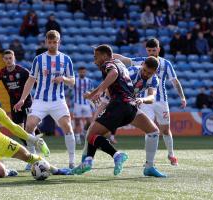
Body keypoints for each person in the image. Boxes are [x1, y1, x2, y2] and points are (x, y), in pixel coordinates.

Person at [72, 45, 166, 177]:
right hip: (114, 102)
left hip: (125, 105)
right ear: (142, 65)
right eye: (144, 70)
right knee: (94, 131)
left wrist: (142, 100)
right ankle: (86, 161)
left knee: (153, 131)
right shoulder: (132, 71)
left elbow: (151, 97)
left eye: (149, 73)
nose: (145, 74)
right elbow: (111, 83)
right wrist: (98, 96)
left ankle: (148, 167)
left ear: (155, 72)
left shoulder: (153, 79)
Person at [114, 38, 186, 166]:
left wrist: (182, 97)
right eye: (149, 50)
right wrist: (109, 55)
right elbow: (125, 59)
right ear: (146, 50)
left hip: (161, 101)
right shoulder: (144, 61)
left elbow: (175, 81)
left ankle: (171, 154)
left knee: (165, 130)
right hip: (145, 101)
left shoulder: (166, 64)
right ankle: (148, 161)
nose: (152, 52)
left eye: (154, 50)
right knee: (150, 129)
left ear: (159, 49)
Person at [14, 30, 76, 169]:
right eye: (50, 42)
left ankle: (72, 161)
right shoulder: (39, 59)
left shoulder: (66, 59)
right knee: (29, 126)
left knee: (68, 127)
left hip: (58, 100)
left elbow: (72, 81)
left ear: (59, 42)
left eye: (55, 42)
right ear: (46, 42)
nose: (52, 45)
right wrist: (22, 99)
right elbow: (31, 80)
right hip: (40, 100)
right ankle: (32, 158)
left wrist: (63, 79)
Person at [0, 49, 40, 170]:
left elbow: (35, 84)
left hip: (26, 103)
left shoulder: (22, 71)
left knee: (28, 129)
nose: (8, 60)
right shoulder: (1, 73)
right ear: (3, 60)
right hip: (14, 105)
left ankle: (33, 158)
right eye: (6, 58)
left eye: (10, 58)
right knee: (18, 131)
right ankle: (34, 147)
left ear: (14, 58)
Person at [73, 66, 94, 145]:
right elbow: (69, 90)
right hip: (77, 103)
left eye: (83, 72)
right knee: (77, 122)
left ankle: (83, 133)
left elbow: (92, 91)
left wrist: (91, 98)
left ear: (85, 72)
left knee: (89, 122)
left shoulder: (89, 81)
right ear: (78, 72)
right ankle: (77, 138)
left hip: (86, 104)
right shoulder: (75, 80)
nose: (82, 73)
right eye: (81, 72)